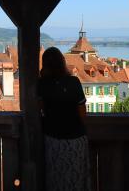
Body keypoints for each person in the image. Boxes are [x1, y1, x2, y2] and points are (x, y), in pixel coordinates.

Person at [38, 47, 90, 191]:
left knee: (56, 180)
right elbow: (82, 114)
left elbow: (39, 108)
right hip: (75, 138)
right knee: (76, 180)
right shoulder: (74, 82)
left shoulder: (42, 84)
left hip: (53, 139)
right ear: (62, 61)